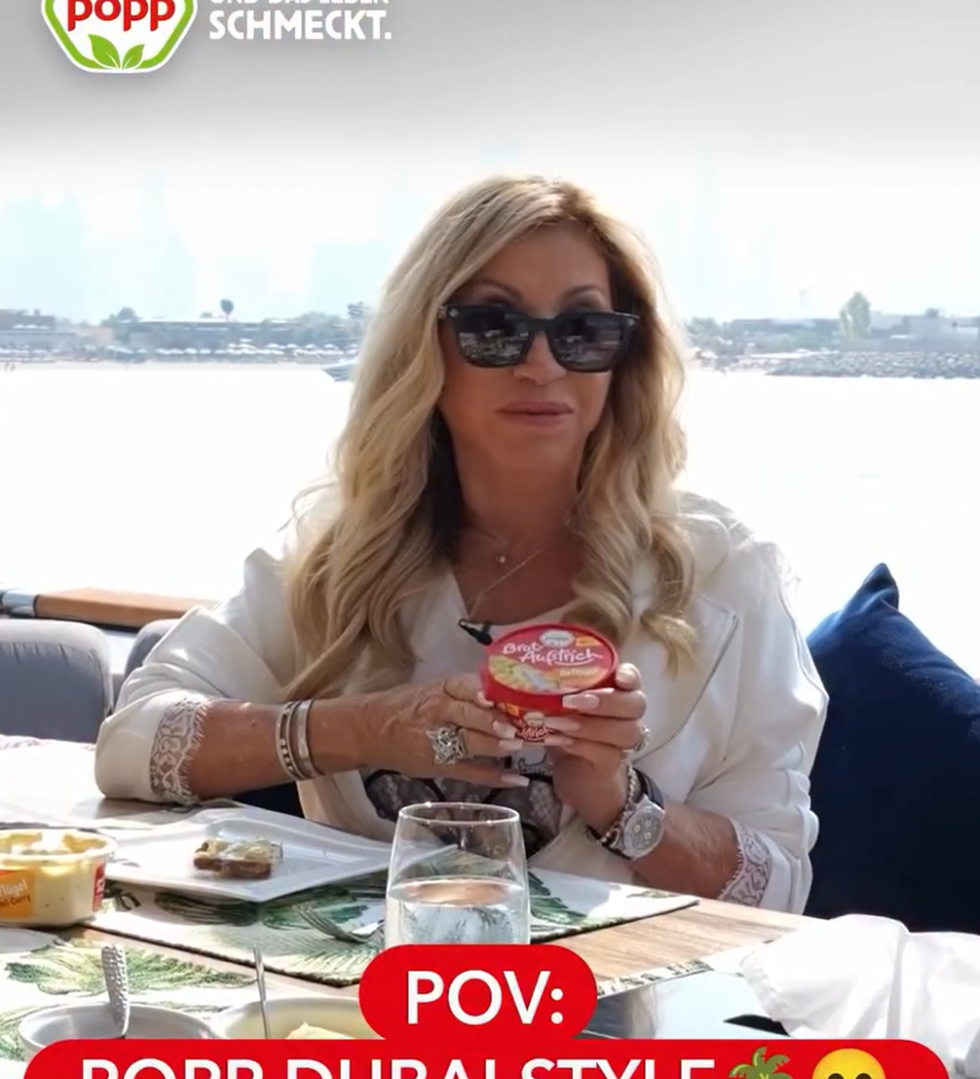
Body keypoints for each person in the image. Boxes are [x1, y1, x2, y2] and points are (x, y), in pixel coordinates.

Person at [96, 173, 827, 910]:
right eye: (494, 326)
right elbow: (131, 742)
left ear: (623, 359)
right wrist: (364, 727)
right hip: (362, 979)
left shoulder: (721, 578)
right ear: (424, 348)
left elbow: (779, 892)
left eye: (582, 331)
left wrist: (620, 801)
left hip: (622, 984)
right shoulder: (339, 561)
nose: (542, 365)